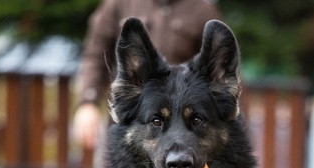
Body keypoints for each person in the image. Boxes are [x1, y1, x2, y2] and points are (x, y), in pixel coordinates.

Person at [73, 0, 221, 150]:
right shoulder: (118, 3)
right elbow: (95, 55)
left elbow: (215, 67)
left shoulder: (202, 9)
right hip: (128, 120)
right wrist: (88, 102)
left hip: (183, 131)